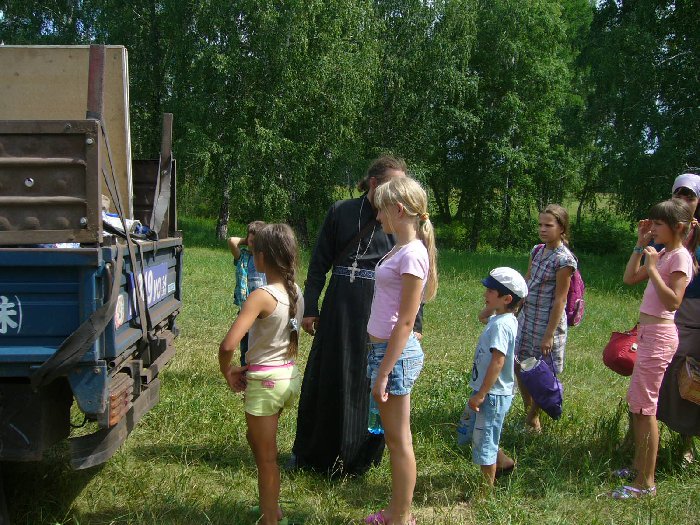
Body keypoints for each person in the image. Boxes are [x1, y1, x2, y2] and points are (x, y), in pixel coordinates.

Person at [290, 155, 423, 475]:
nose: (398, 191)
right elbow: (318, 264)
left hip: (380, 312)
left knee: (370, 379)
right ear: (373, 183)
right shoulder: (341, 211)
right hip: (339, 307)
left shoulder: (400, 219)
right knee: (329, 375)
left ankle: (359, 459)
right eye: (392, 183)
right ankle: (315, 454)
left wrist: (416, 323)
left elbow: (413, 279)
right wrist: (310, 307)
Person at [363, 176, 437, 525]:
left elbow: (406, 321)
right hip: (385, 353)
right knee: (396, 439)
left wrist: (383, 373)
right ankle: (398, 513)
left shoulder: (412, 254)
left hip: (393, 357)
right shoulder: (400, 249)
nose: (378, 217)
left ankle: (400, 516)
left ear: (399, 209)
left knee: (398, 441)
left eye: (381, 210)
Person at [218, 223, 303, 525]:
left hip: (266, 383)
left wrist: (227, 371)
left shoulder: (261, 296)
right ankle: (272, 507)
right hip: (287, 377)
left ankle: (270, 518)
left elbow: (228, 345)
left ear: (261, 257)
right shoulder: (296, 291)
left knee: (267, 460)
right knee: (258, 443)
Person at [614, 199, 694, 499]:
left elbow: (674, 301)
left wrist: (653, 268)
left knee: (645, 408)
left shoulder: (680, 257)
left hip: (660, 335)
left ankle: (645, 483)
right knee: (638, 404)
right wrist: (640, 246)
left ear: (678, 227)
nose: (654, 228)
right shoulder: (663, 254)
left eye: (659, 224)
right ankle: (638, 467)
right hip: (649, 333)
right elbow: (629, 278)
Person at [460, 267, 527, 490]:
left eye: (490, 291)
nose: (485, 293)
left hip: (492, 394)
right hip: (490, 391)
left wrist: (481, 394)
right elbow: (482, 317)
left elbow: (498, 361)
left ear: (506, 298)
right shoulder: (503, 318)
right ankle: (505, 462)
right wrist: (489, 307)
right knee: (482, 433)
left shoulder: (501, 326)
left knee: (485, 442)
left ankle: (485, 492)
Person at [515, 204, 577, 432]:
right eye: (540, 224)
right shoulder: (537, 250)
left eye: (548, 225)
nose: (543, 229)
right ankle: (528, 410)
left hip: (547, 322)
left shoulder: (564, 260)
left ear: (562, 228)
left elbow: (560, 299)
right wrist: (516, 307)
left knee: (542, 372)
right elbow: (527, 280)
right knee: (519, 364)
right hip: (527, 317)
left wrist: (549, 335)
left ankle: (534, 417)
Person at [657, 173, 700, 462]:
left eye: (690, 196)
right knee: (665, 374)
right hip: (670, 312)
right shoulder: (665, 228)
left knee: (692, 377)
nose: (683, 200)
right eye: (679, 194)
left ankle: (686, 442)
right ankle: (644, 440)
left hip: (695, 312)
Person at [228, 221, 267, 365]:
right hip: (246, 308)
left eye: (258, 242)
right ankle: (245, 369)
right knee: (245, 344)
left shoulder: (267, 258)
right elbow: (232, 241)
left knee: (261, 343)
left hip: (263, 310)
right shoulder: (243, 256)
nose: (254, 245)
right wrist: (246, 240)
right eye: (251, 241)